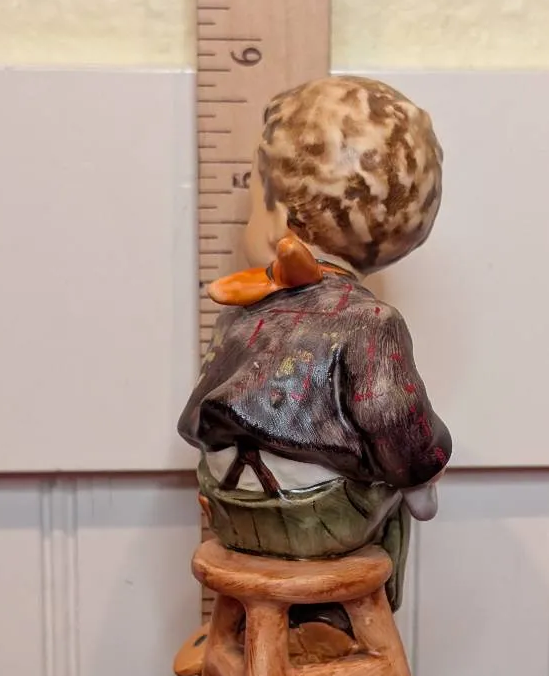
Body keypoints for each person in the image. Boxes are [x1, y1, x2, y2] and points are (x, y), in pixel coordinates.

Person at [177, 75, 451, 618]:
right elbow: (395, 421)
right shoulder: (372, 321)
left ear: (279, 219)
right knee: (397, 497)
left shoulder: (237, 312)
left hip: (229, 510)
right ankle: (337, 620)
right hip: (316, 520)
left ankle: (274, 627)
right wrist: (424, 471)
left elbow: (194, 423)